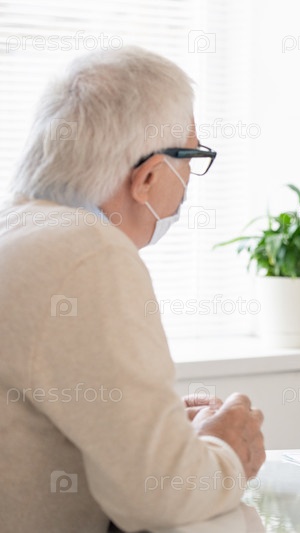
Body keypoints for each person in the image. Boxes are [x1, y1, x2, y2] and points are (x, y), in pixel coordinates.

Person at [0, 47, 265, 531]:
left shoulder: (18, 230)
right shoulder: (89, 254)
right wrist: (227, 446)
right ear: (147, 177)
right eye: (192, 157)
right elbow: (158, 495)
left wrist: (156, 430)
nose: (189, 182)